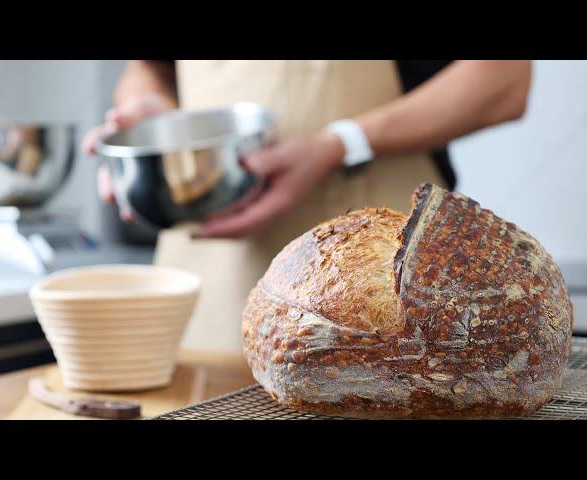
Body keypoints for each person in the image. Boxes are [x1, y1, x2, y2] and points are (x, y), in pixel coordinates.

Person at [84, 60, 532, 352]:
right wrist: (154, 119)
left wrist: (341, 144)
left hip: (386, 294)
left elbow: (503, 81)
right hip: (205, 298)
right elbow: (145, 71)